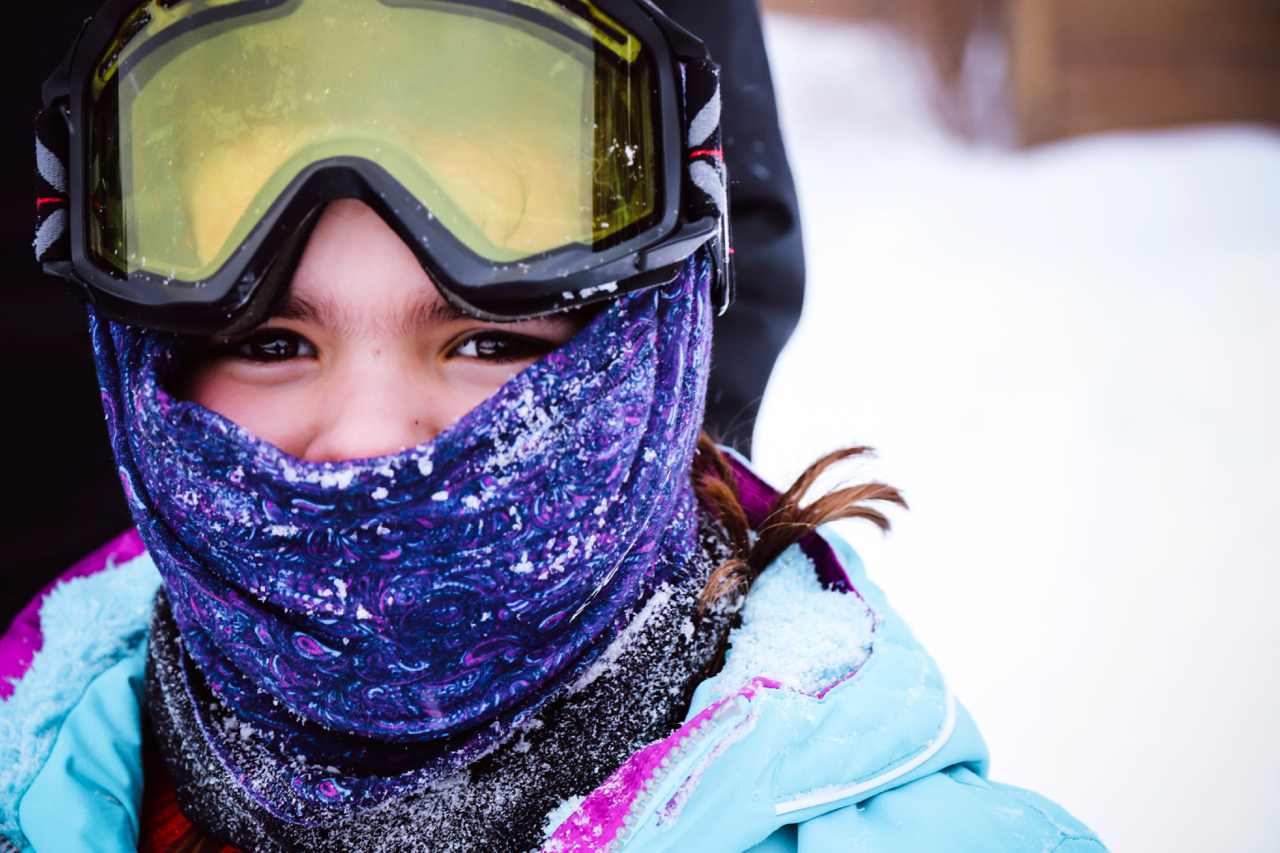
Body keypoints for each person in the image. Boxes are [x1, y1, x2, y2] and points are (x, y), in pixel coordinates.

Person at [0, 1, 1107, 851]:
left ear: (645, 357)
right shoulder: (40, 783)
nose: (372, 439)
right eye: (276, 344)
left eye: (489, 341)